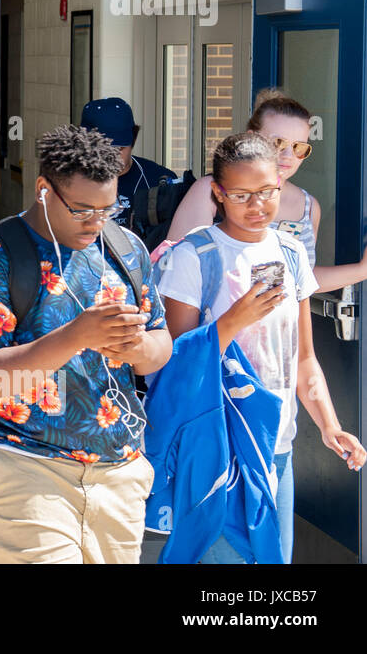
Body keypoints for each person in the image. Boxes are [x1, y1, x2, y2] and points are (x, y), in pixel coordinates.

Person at [0, 124, 171, 564]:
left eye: (109, 208)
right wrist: (76, 336)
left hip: (117, 470)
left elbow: (161, 345)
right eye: (82, 209)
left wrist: (134, 347)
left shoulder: (126, 249)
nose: (97, 221)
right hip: (23, 463)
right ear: (43, 190)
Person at [153, 131, 366, 563]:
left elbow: (304, 359)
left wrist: (329, 425)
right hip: (217, 446)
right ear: (218, 193)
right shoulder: (195, 256)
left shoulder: (290, 253)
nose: (257, 206)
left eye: (267, 192)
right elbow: (170, 363)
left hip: (278, 443)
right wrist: (233, 321)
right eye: (242, 195)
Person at [167, 88, 367, 293]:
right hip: (218, 321)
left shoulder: (308, 206)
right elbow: (176, 267)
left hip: (279, 323)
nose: (288, 155)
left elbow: (301, 278)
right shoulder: (210, 191)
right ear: (251, 137)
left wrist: (362, 270)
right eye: (278, 142)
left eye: (300, 147)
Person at [80, 97, 176, 230]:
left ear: (133, 138)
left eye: (119, 148)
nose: (111, 156)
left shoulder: (159, 179)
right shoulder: (70, 182)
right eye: (103, 148)